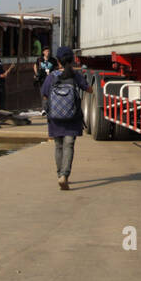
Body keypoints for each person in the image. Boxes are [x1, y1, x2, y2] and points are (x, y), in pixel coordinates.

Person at [40, 46, 90, 190]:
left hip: (55, 117)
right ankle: (64, 175)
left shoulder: (52, 76)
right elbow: (89, 89)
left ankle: (59, 174)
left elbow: (44, 94)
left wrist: (47, 110)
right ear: (72, 60)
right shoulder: (75, 75)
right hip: (72, 117)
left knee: (58, 146)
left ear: (58, 60)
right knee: (69, 145)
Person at [33, 46, 58, 110]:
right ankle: (44, 108)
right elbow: (35, 65)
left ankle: (50, 108)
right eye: (46, 51)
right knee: (43, 94)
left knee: (51, 94)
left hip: (51, 79)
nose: (48, 52)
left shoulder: (53, 60)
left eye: (49, 51)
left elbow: (57, 67)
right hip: (42, 79)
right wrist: (36, 73)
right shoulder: (39, 59)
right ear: (43, 52)